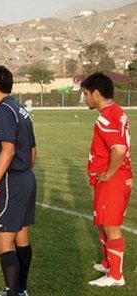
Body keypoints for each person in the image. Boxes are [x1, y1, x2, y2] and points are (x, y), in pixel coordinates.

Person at [0, 66, 36, 296]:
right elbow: (33, 150)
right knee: (21, 235)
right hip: (26, 178)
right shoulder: (20, 108)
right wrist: (25, 175)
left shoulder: (3, 110)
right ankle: (20, 290)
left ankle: (12, 292)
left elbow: (8, 150)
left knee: (4, 241)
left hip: (11, 180)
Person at [81, 73, 132, 287]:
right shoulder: (116, 111)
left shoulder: (105, 117)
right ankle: (108, 263)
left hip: (114, 180)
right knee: (103, 223)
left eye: (86, 94)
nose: (85, 99)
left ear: (97, 93)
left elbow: (119, 149)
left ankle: (116, 276)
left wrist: (109, 174)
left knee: (111, 226)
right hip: (117, 179)